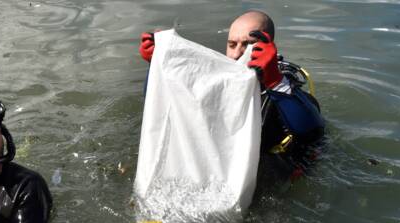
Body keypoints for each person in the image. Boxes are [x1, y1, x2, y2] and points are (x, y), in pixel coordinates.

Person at [138, 10, 325, 182]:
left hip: (269, 173)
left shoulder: (281, 85)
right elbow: (161, 108)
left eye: (248, 44)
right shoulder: (215, 80)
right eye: (232, 44)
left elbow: (312, 132)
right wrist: (157, 69)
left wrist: (275, 81)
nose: (236, 54)